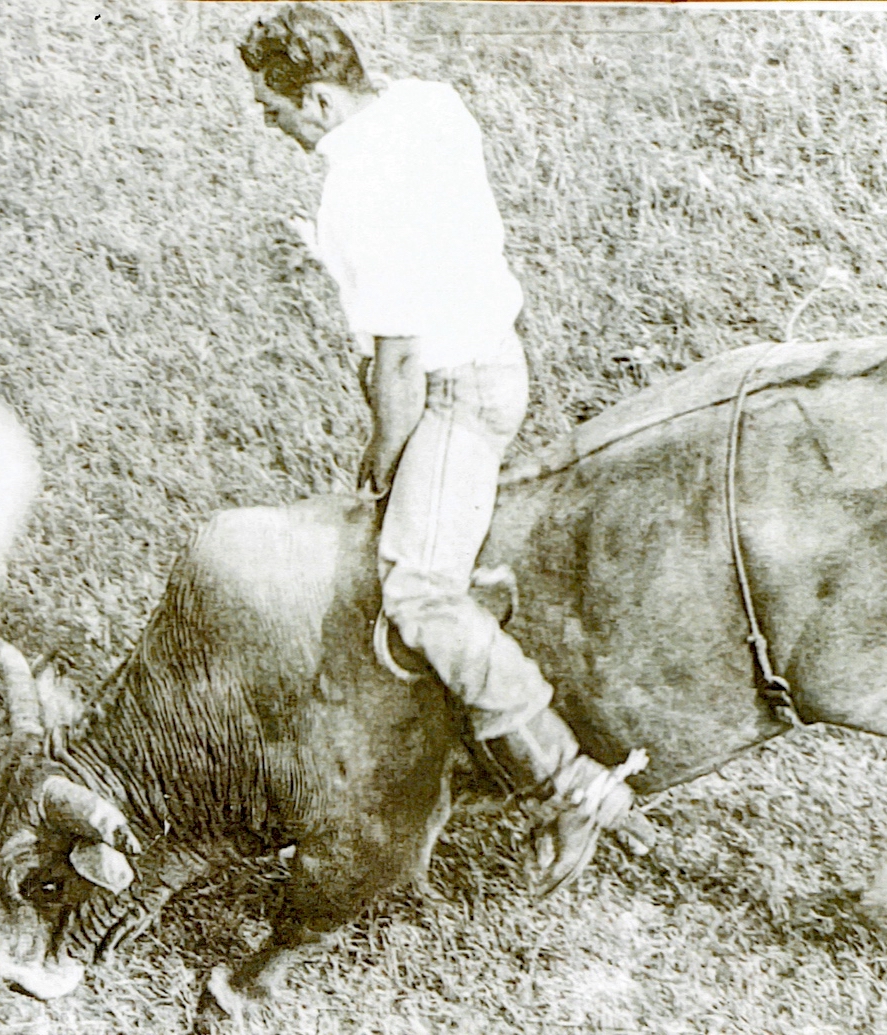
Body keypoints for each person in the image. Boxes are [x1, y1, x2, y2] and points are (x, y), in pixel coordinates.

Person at [238, 5, 638, 893]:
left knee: (416, 589)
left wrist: (384, 449)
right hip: (497, 354)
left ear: (321, 98)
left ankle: (569, 780)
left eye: (278, 111)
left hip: (453, 396)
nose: (276, 128)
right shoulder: (428, 102)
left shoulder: (352, 189)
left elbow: (402, 358)